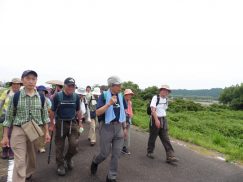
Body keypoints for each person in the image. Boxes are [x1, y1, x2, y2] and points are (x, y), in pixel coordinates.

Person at [1, 70, 51, 182]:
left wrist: (47, 132)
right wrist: (5, 136)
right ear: (22, 80)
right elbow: (8, 118)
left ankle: (28, 173)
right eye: (28, 78)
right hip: (19, 130)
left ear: (36, 81)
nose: (31, 81)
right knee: (20, 161)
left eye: (33, 79)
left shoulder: (41, 97)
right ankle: (20, 178)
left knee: (32, 159)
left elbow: (45, 117)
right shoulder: (16, 96)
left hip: (35, 130)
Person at [91, 76, 127, 182]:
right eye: (118, 85)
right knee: (104, 153)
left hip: (119, 127)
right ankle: (95, 161)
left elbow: (123, 113)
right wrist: (109, 104)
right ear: (112, 85)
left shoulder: (121, 96)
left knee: (116, 154)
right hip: (106, 127)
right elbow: (97, 112)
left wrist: (124, 127)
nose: (120, 87)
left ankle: (111, 176)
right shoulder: (104, 95)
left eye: (120, 85)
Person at [49, 77, 82, 176]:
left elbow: (78, 110)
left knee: (74, 145)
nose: (71, 88)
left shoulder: (76, 97)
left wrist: (79, 121)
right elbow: (52, 111)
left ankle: (68, 158)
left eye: (73, 86)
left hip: (72, 122)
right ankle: (60, 165)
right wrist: (51, 124)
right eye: (69, 86)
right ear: (65, 86)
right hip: (60, 123)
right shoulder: (57, 96)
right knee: (59, 146)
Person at [146, 85, 178, 163]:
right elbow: (153, 110)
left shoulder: (166, 99)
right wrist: (157, 120)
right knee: (153, 137)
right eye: (164, 90)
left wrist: (162, 120)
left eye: (167, 91)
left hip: (163, 119)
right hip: (155, 118)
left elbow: (164, 109)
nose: (165, 92)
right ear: (160, 90)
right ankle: (150, 152)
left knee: (165, 138)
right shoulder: (155, 98)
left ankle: (170, 156)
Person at [0, 78, 22, 160]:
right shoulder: (7, 92)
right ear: (11, 84)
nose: (15, 85)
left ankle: (12, 152)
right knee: (5, 135)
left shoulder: (22, 94)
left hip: (17, 118)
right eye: (14, 84)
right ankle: (4, 151)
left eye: (17, 84)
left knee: (14, 135)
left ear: (20, 85)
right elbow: (1, 103)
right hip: (6, 116)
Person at [37, 85, 52, 153]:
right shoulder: (34, 98)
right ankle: (35, 145)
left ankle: (41, 146)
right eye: (40, 91)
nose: (42, 92)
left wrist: (47, 112)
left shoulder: (47, 100)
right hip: (34, 119)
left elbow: (50, 108)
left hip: (43, 118)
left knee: (43, 133)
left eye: (43, 91)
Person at [121, 89, 134, 155]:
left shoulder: (129, 102)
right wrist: (124, 124)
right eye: (129, 94)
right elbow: (122, 113)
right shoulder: (122, 102)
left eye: (131, 95)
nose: (130, 96)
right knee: (123, 134)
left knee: (126, 134)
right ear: (125, 95)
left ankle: (124, 147)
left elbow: (130, 111)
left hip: (128, 120)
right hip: (123, 120)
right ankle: (122, 147)